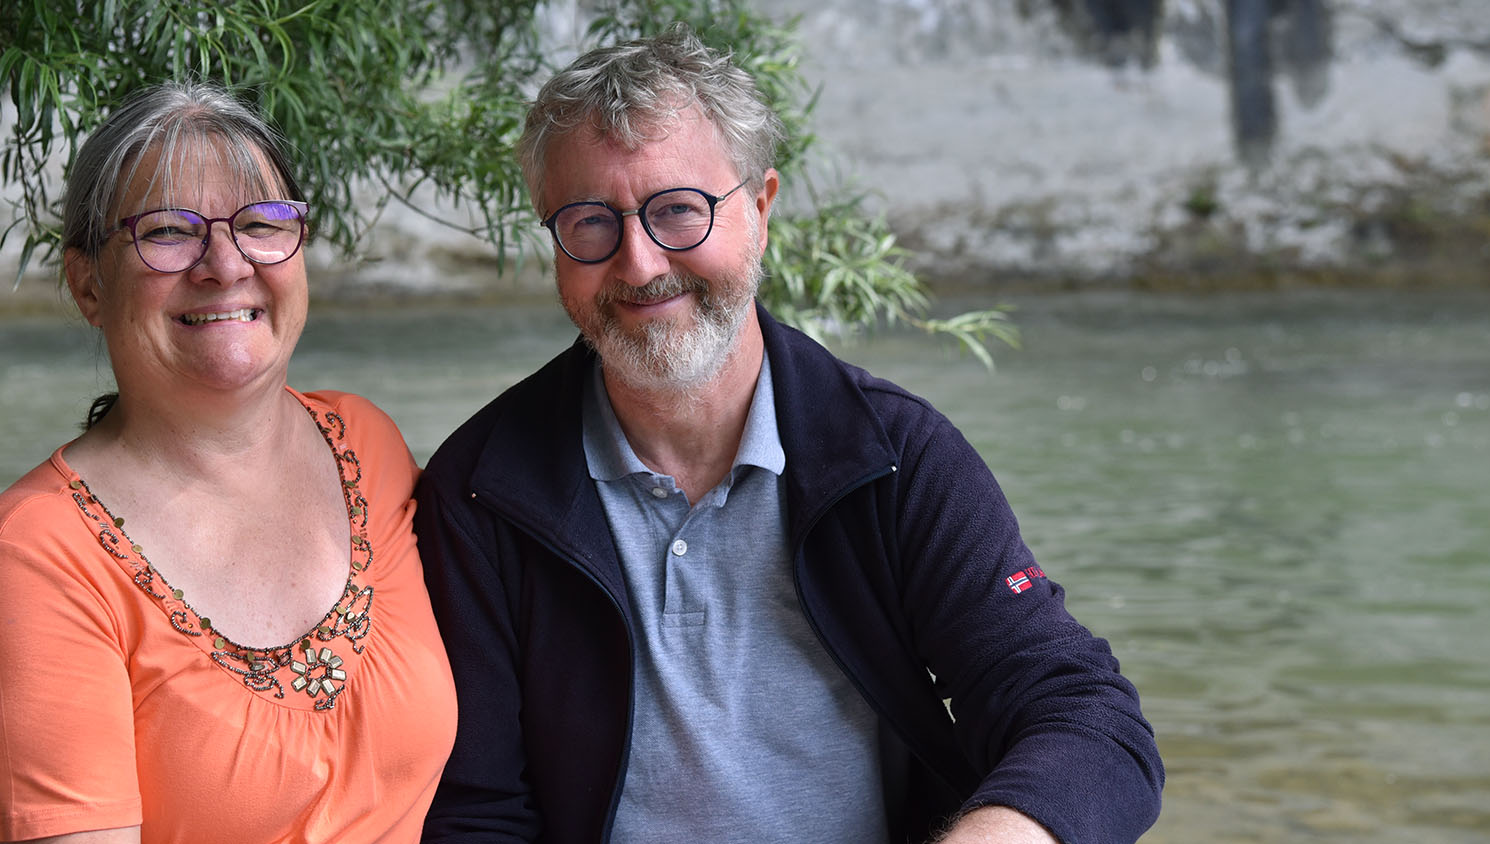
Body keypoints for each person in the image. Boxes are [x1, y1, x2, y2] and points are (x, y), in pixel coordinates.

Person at [415, 27, 1162, 844]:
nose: (636, 262)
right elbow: (477, 812)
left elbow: (1083, 718)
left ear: (761, 209)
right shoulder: (482, 491)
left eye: (677, 211)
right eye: (591, 222)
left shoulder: (893, 458)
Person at [0, 80, 455, 844]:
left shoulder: (367, 447)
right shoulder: (31, 560)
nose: (225, 263)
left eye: (263, 222)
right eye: (168, 231)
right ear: (87, 285)